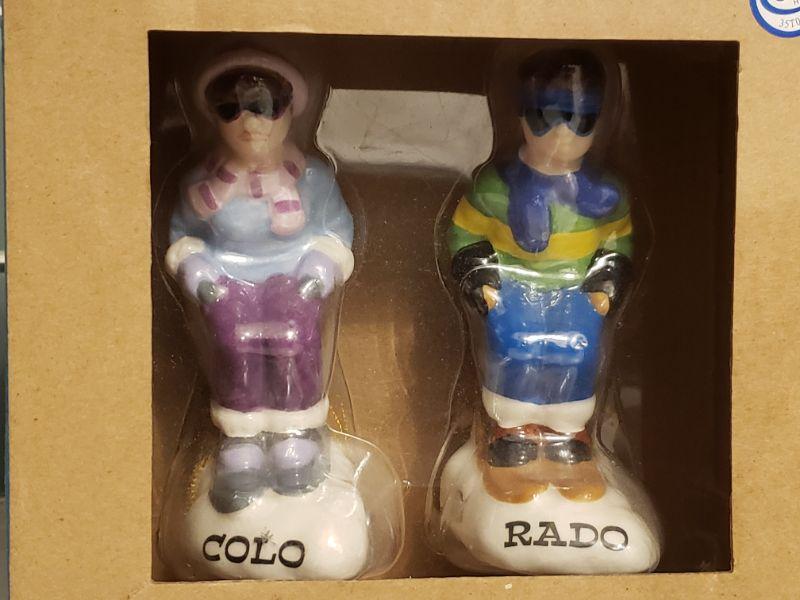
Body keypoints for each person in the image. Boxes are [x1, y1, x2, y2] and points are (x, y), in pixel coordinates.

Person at [166, 51, 354, 512]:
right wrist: (197, 268)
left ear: (288, 112)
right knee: (234, 340)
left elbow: (337, 230)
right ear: (215, 118)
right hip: (229, 277)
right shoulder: (203, 185)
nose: (250, 123)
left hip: (292, 274)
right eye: (230, 110)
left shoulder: (311, 179)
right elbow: (184, 236)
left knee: (292, 335)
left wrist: (320, 266)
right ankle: (242, 437)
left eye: (264, 108)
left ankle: (295, 430)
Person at [448, 48, 633, 503]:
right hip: (515, 288)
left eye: (579, 121)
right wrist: (481, 276)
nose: (562, 134)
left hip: (575, 290)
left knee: (576, 351)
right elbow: (464, 231)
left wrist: (606, 281)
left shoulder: (604, 195)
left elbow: (618, 239)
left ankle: (566, 432)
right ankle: (512, 430)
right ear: (523, 116)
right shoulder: (495, 187)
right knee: (517, 349)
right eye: (547, 117)